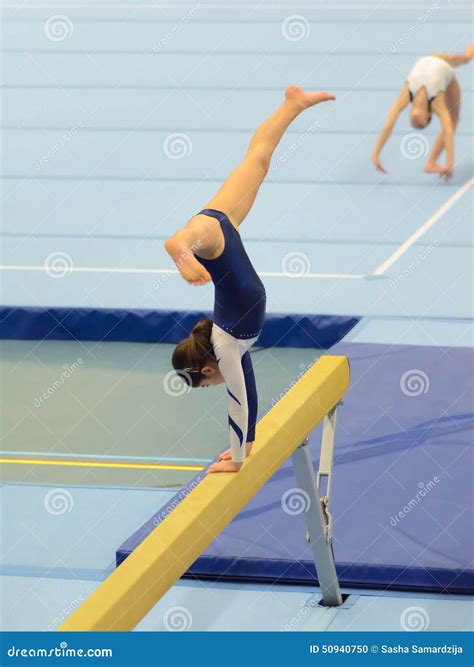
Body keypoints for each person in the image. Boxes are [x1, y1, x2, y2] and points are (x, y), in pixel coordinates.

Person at [165, 86, 335, 473]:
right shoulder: (233, 347)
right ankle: (292, 104)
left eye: (208, 384)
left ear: (207, 369)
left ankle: (178, 248)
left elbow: (237, 399)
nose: (216, 385)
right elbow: (249, 388)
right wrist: (251, 439)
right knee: (258, 161)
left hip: (208, 241)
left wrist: (238, 460)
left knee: (187, 238)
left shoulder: (226, 346)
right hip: (224, 226)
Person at [372, 44, 473, 178]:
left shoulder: (406, 96)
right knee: (453, 119)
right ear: (429, 114)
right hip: (444, 71)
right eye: (421, 125)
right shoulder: (436, 102)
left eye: (416, 126)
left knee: (466, 58)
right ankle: (431, 163)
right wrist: (450, 163)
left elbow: (388, 125)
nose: (415, 124)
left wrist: (375, 154)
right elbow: (447, 129)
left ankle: (431, 163)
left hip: (430, 60)